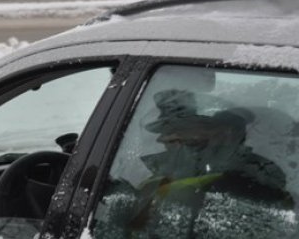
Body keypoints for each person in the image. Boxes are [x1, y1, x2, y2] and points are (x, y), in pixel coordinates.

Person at [94, 89, 295, 238]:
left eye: (178, 130)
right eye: (165, 131)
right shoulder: (164, 177)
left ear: (227, 134)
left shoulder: (243, 183)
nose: (164, 139)